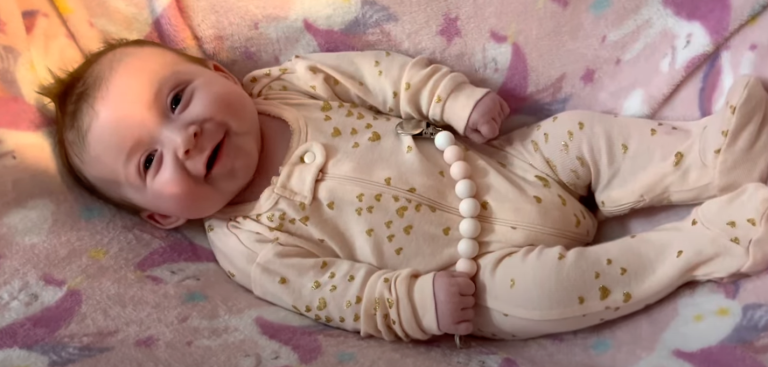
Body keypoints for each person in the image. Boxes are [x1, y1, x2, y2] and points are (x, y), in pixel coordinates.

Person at [38, 39, 768, 342]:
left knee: (578, 136)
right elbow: (337, 292)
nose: (186, 137)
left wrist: (452, 100)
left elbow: (382, 76)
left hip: (503, 166)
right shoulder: (249, 246)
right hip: (482, 273)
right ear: (162, 213)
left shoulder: (289, 86)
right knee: (557, 292)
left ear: (219, 74)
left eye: (175, 101)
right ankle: (708, 242)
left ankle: (709, 157)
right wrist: (415, 305)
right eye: (148, 161)